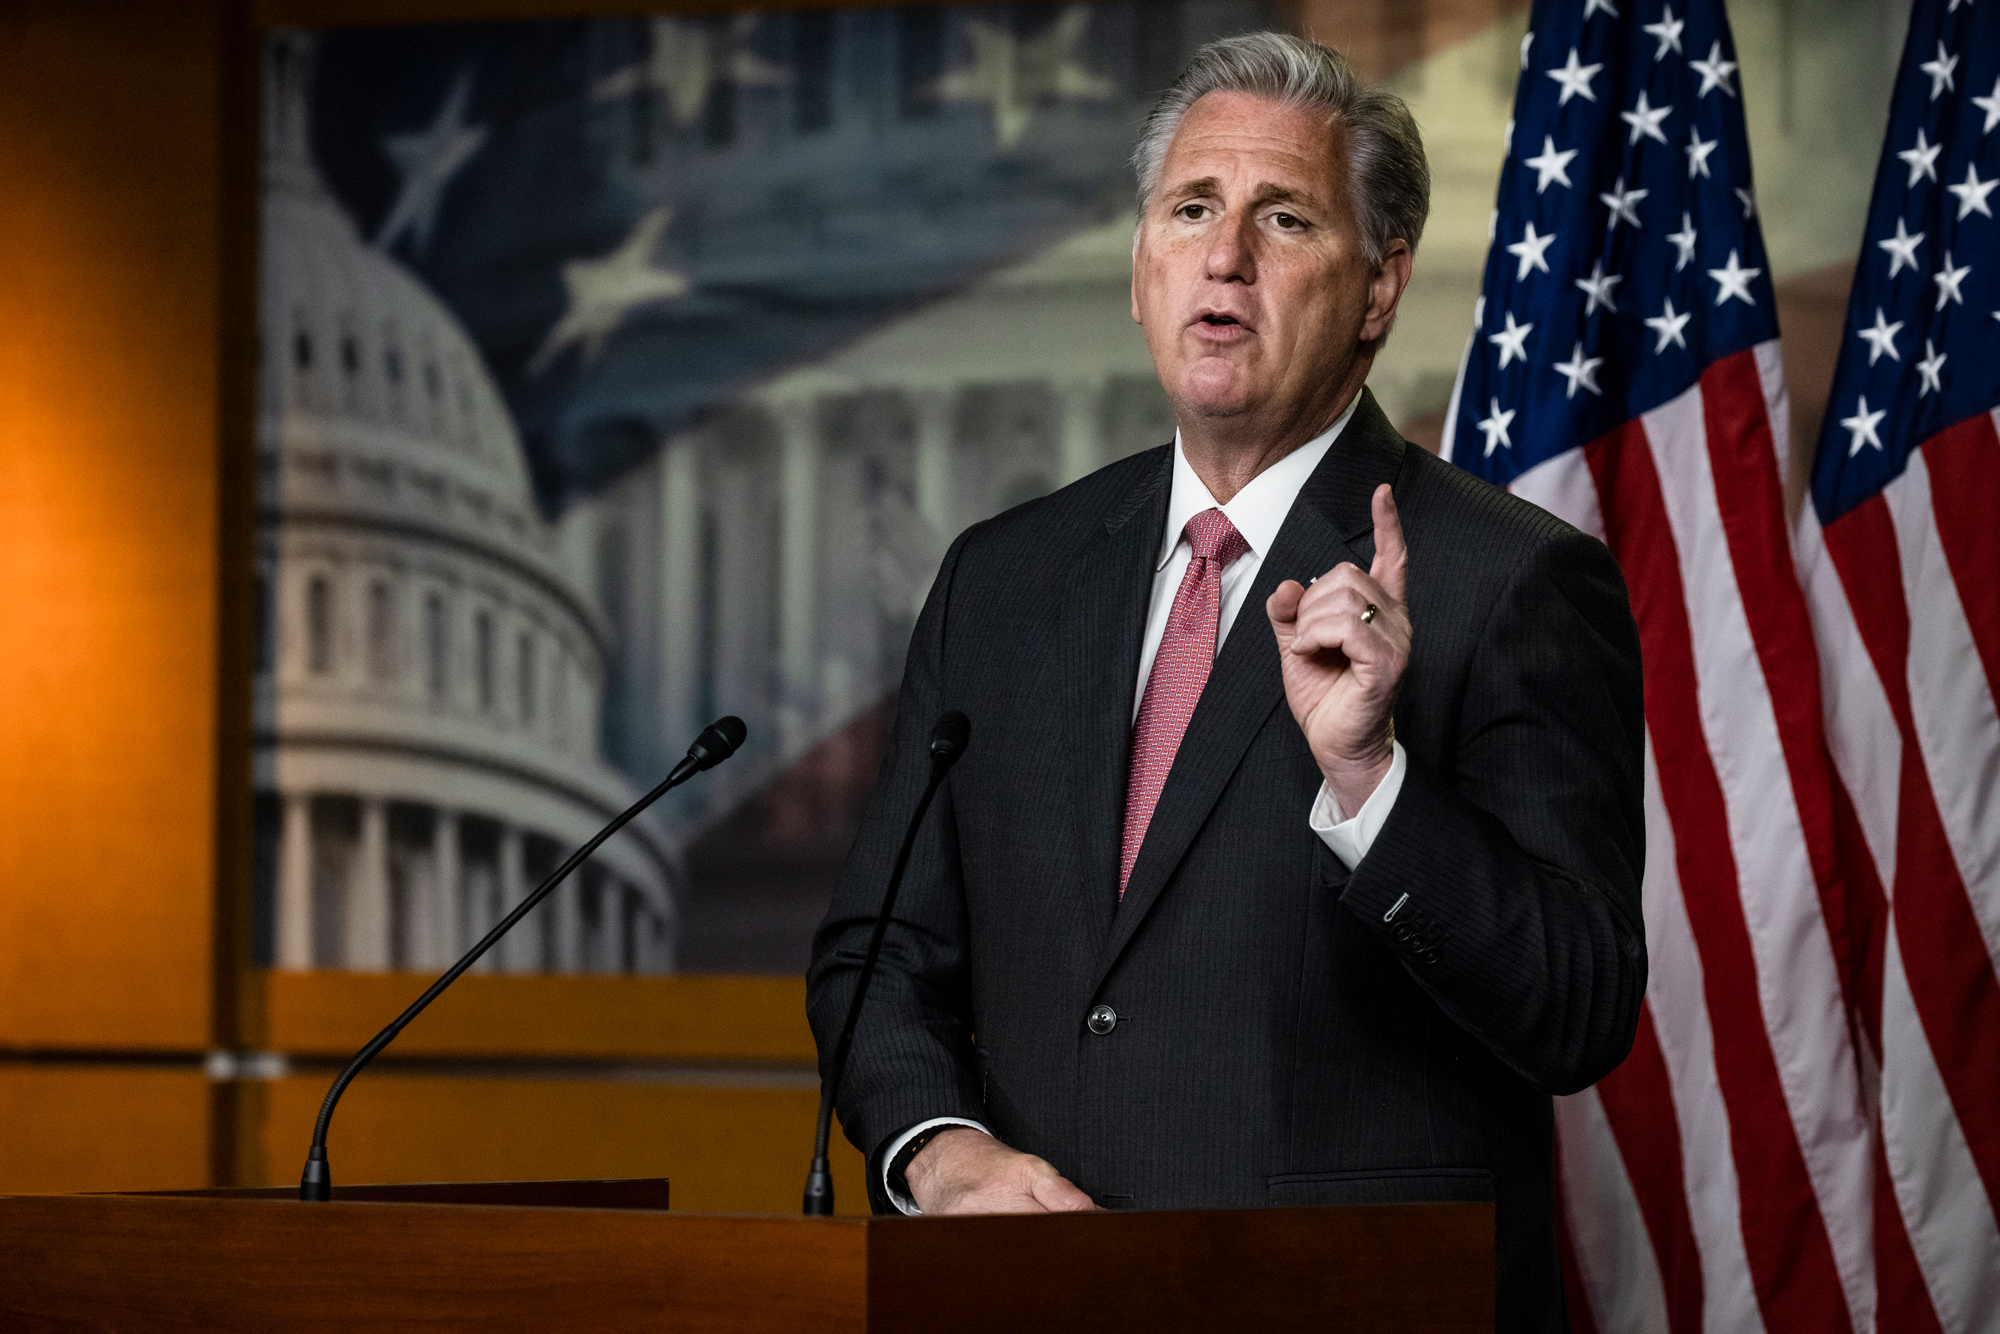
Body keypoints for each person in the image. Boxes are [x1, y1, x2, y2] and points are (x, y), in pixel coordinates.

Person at [806, 31, 1646, 1331]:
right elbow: (881, 957)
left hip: (1343, 1302)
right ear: (1142, 270)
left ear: (1379, 287)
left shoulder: (1514, 581)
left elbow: (1581, 1005)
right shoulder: (1002, 581)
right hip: (1032, 1304)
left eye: (1284, 216)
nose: (1224, 253)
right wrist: (941, 1151)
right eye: (1190, 209)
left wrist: (1371, 780)